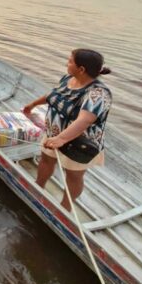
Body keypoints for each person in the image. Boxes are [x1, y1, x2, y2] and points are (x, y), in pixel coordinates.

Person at [22, 49, 112, 211]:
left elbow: (84, 120)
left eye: (70, 61)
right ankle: (38, 186)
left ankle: (66, 206)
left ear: (81, 69)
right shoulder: (68, 78)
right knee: (46, 160)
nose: (67, 63)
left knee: (74, 175)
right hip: (53, 134)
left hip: (78, 143)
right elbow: (52, 95)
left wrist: (61, 139)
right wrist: (33, 104)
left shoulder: (98, 94)